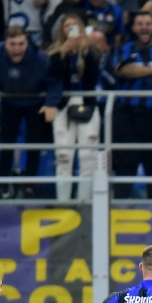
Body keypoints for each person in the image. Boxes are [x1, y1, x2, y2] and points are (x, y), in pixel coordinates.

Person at [0, 26, 61, 198]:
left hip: (35, 103)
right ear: (5, 43)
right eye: (12, 44)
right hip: (9, 102)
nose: (17, 48)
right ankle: (2, 185)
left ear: (27, 43)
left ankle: (30, 185)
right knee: (6, 145)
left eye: (21, 44)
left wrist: (51, 103)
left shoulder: (40, 58)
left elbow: (55, 81)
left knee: (33, 145)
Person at [109, 11, 152, 199]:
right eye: (140, 23)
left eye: (148, 23)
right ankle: (119, 210)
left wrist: (147, 72)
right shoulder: (124, 49)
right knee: (126, 165)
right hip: (128, 115)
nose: (144, 27)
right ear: (134, 28)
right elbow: (122, 70)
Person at [48, 12, 102, 201]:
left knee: (88, 156)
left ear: (80, 28)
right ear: (62, 30)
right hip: (62, 106)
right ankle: (63, 201)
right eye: (67, 26)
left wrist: (85, 53)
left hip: (86, 102)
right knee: (63, 156)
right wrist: (63, 54)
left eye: (74, 25)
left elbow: (92, 80)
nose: (70, 30)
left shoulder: (92, 51)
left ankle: (84, 201)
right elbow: (51, 77)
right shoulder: (54, 52)